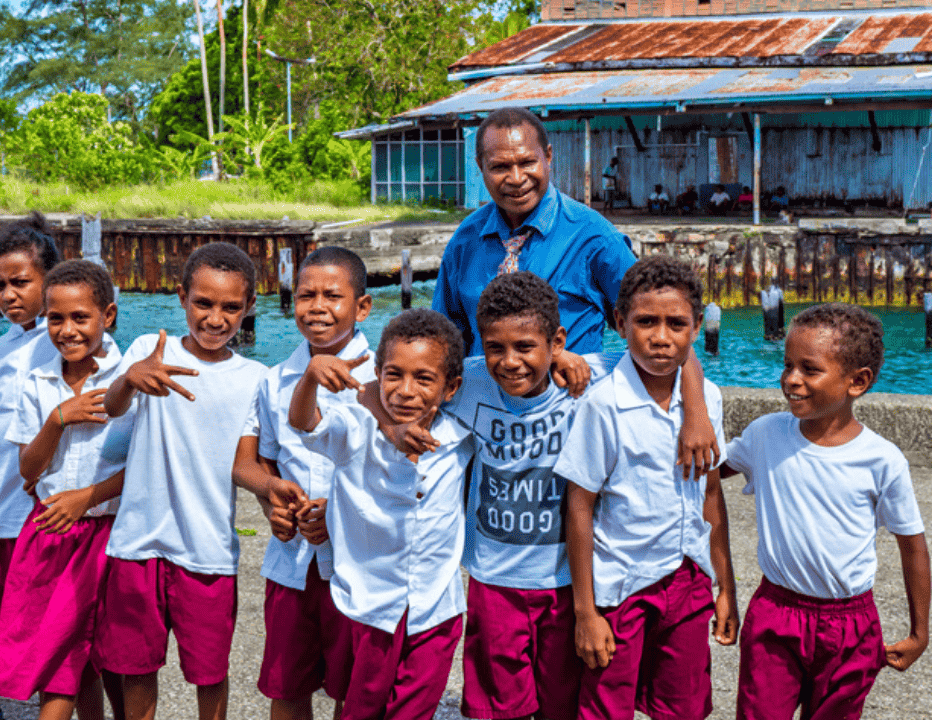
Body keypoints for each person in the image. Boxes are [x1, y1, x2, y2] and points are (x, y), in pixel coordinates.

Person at [723, 303, 931, 720]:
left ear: (858, 382)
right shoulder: (766, 434)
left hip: (850, 623)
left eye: (809, 369)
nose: (791, 380)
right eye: (787, 365)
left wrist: (919, 632)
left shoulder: (881, 460)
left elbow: (913, 546)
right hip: (775, 614)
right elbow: (705, 473)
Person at [559, 255, 739, 720]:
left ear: (697, 327)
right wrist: (584, 612)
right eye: (646, 322)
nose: (661, 337)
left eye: (676, 323)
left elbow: (711, 495)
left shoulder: (709, 400)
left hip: (688, 577)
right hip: (621, 585)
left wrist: (726, 588)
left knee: (683, 705)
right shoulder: (602, 405)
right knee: (606, 704)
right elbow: (578, 506)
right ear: (620, 322)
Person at [99, 242, 268, 720]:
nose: (216, 318)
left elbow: (245, 462)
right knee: (137, 670)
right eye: (204, 303)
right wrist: (130, 378)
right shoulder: (147, 352)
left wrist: (273, 491)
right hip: (138, 544)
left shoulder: (254, 377)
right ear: (181, 297)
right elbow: (111, 410)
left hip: (208, 549)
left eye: (231, 307)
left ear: (249, 307)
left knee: (210, 675)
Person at [287, 308, 476, 720]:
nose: (406, 391)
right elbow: (303, 423)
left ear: (451, 387)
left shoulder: (461, 438)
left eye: (424, 378)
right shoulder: (355, 430)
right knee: (359, 711)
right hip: (368, 607)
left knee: (414, 713)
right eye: (394, 375)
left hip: (436, 609)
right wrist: (311, 377)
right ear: (377, 374)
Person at [446, 272, 613, 720]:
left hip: (564, 583)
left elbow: (666, 357)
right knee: (498, 708)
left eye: (525, 347)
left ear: (556, 340)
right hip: (492, 580)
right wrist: (395, 425)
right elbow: (396, 385)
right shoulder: (468, 382)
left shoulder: (590, 379)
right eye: (495, 347)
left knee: (561, 704)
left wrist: (695, 410)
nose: (510, 361)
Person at [232, 246, 374, 720]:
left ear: (363, 306)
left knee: (350, 690)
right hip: (293, 562)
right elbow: (256, 464)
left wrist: (340, 513)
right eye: (305, 295)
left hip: (359, 562)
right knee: (286, 686)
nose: (317, 307)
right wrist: (272, 497)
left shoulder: (382, 379)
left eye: (332, 295)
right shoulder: (275, 380)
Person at [0, 260, 133, 720]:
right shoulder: (38, 383)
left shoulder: (128, 379)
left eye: (80, 318)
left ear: (107, 316)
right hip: (50, 533)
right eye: (56, 318)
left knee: (98, 658)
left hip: (108, 535)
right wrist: (59, 417)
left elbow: (145, 467)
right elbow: (27, 469)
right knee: (61, 657)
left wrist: (87, 498)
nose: (67, 330)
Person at [433, 107, 635, 359]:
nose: (516, 179)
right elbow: (444, 338)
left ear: (548, 157)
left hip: (570, 395)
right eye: (499, 167)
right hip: (481, 394)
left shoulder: (595, 238)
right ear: (480, 166)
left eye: (527, 162)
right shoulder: (465, 241)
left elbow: (648, 325)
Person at [0, 212, 61, 714]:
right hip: (0, 509)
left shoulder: (65, 341)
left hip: (47, 513)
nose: (7, 295)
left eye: (21, 282)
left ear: (52, 280)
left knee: (47, 628)